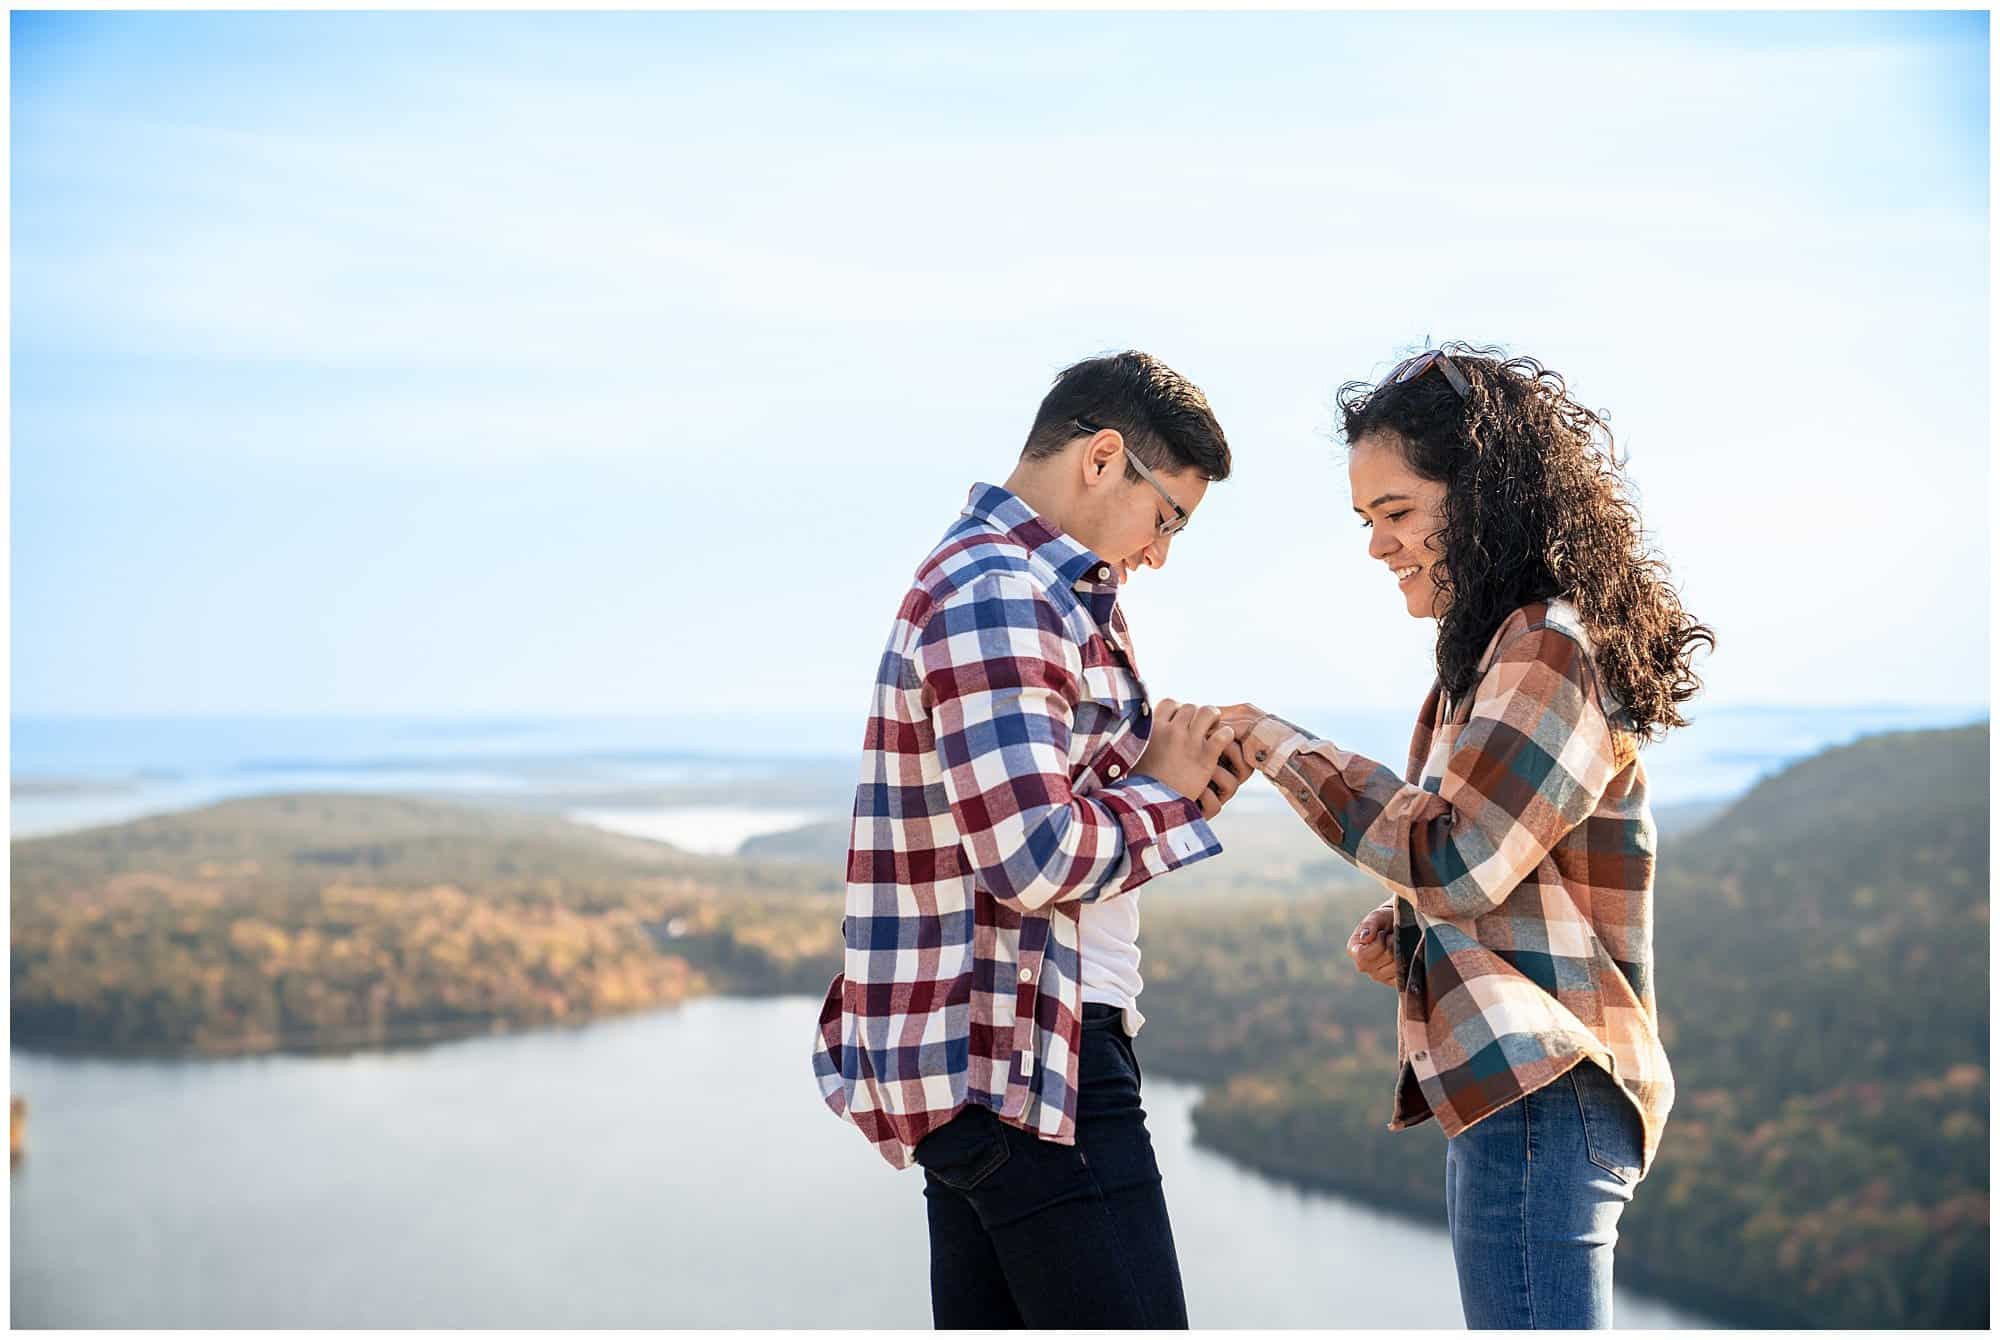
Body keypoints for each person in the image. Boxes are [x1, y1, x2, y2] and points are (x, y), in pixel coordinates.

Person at [1217, 345, 1713, 1329]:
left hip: (1541, 1093)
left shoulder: (1547, 648)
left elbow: (1454, 855)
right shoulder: (1498, 653)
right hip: (1523, 1096)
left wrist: (1271, 743)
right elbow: (1502, 875)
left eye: (1395, 512)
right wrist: (1411, 932)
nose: (1375, 545)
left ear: (1484, 495)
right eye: (1365, 520)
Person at [812, 350, 1250, 1329]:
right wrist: (1165, 796)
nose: (1160, 551)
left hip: (1002, 1070)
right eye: (1166, 516)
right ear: (1102, 458)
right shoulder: (1003, 592)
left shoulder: (1028, 587)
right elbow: (1032, 857)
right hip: (1035, 1068)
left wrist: (1170, 786)